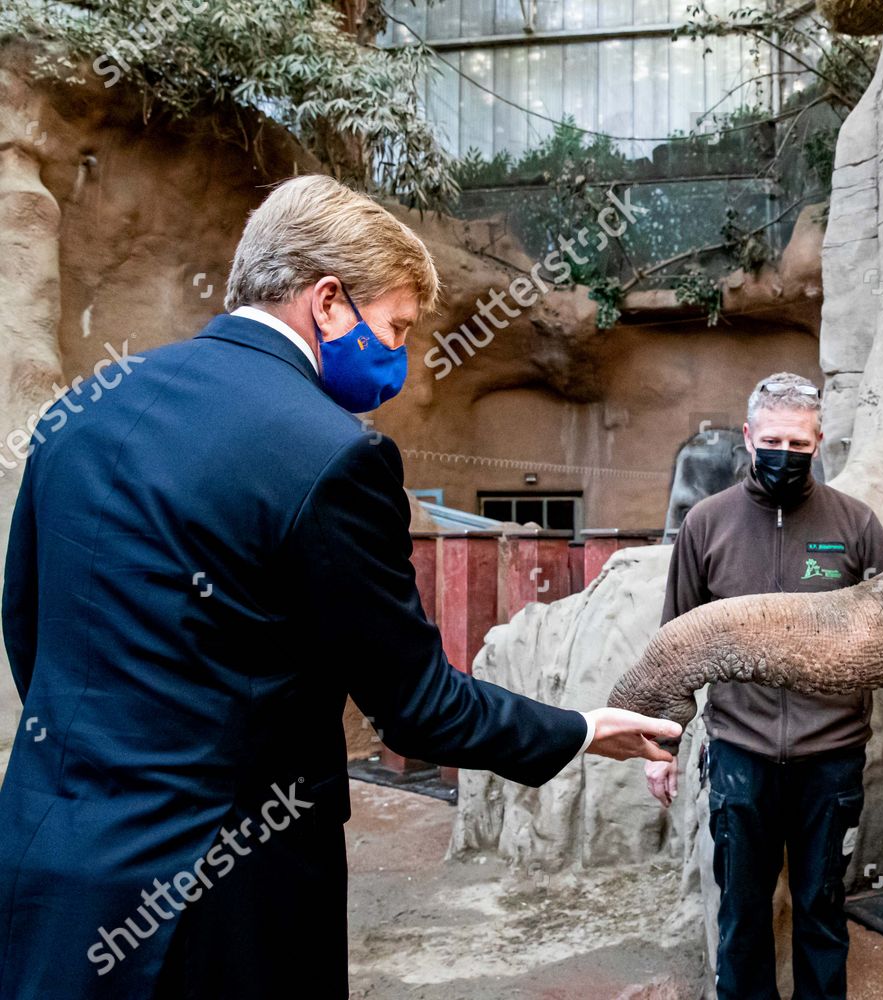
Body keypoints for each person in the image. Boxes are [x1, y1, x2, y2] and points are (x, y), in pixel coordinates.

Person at [0, 175, 680, 1000]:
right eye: (395, 326)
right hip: (219, 904)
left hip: (47, 863)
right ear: (328, 302)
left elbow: (31, 629)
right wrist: (578, 728)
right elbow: (419, 707)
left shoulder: (77, 414)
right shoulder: (333, 456)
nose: (399, 356)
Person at [645, 372, 883, 1000]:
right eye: (772, 439)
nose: (784, 454)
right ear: (748, 439)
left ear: (819, 441)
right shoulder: (706, 525)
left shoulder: (853, 525)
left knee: (822, 913)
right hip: (739, 757)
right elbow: (678, 647)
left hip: (829, 760)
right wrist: (663, 747)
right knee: (743, 919)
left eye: (798, 444)